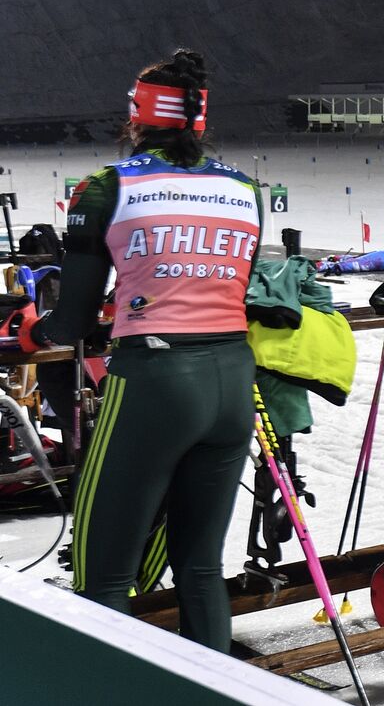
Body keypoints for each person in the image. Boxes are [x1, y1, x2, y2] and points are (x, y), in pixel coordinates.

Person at [5, 49, 262, 651]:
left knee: (104, 573)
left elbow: (68, 322)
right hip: (232, 376)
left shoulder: (106, 187)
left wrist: (31, 333)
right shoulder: (243, 187)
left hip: (155, 378)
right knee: (199, 568)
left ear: (137, 117)